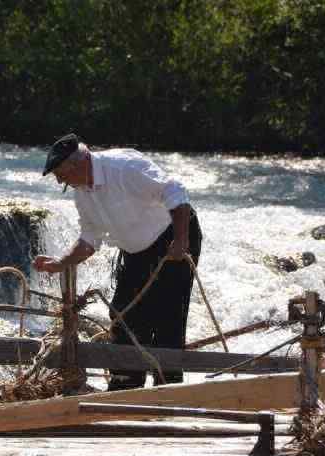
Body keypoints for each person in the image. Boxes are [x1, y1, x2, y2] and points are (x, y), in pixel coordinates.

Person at [33, 134, 203, 391]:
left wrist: (181, 240)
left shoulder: (123, 167)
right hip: (135, 251)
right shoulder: (82, 194)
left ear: (79, 164)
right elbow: (90, 239)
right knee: (122, 314)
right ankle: (126, 383)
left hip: (172, 236)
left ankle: (168, 387)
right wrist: (61, 263)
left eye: (61, 175)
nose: (60, 181)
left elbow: (175, 191)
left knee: (168, 316)